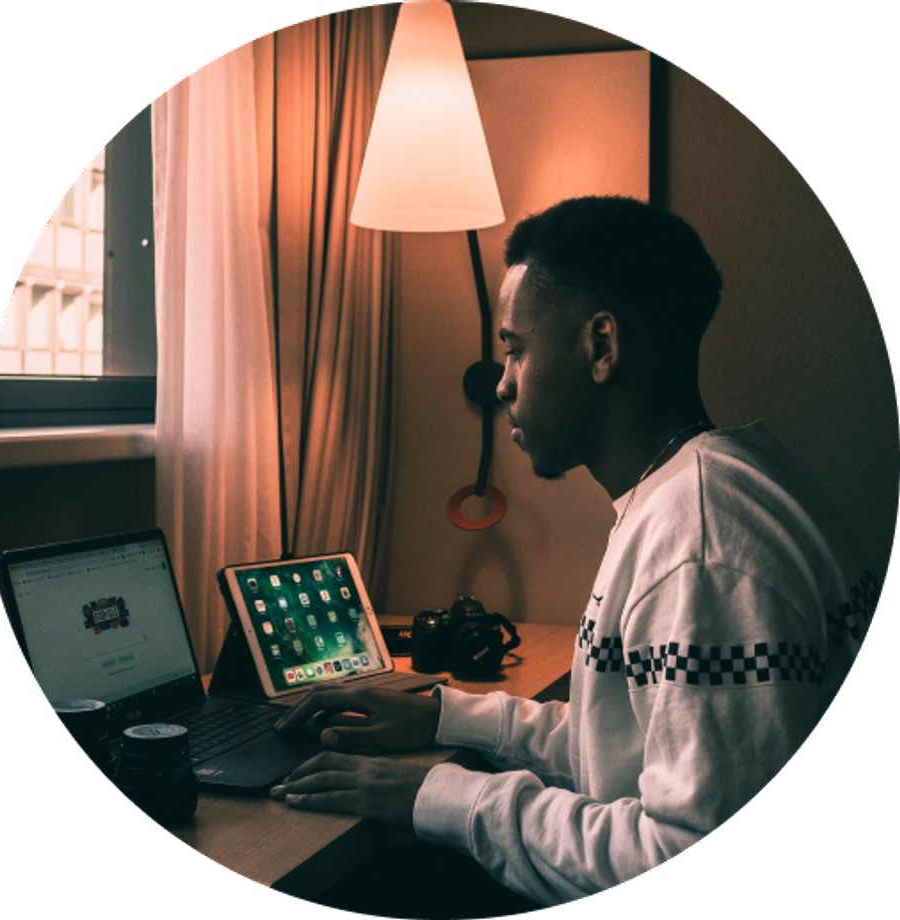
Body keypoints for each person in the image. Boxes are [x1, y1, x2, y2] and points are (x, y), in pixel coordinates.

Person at [271, 195, 877, 906]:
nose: (502, 383)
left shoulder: (700, 545)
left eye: (515, 349)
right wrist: (442, 716)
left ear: (601, 347)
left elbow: (679, 845)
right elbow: (620, 744)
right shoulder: (697, 489)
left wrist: (440, 796)